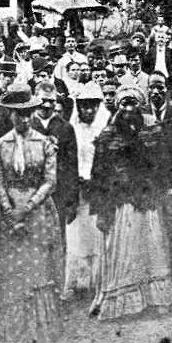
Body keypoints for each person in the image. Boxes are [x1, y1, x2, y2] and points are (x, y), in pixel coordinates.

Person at [88, 85, 172, 320]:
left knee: (153, 249)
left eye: (133, 104)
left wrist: (159, 190)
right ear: (118, 107)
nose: (128, 109)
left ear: (140, 105)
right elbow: (99, 172)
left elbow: (162, 164)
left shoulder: (153, 130)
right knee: (125, 253)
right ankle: (124, 303)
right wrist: (101, 208)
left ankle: (157, 299)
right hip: (121, 202)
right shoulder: (108, 135)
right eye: (124, 104)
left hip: (147, 200)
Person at [0, 85, 64, 343]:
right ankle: (13, 329)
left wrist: (29, 206)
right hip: (10, 213)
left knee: (37, 267)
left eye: (27, 114)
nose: (23, 119)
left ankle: (40, 330)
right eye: (17, 114)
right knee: (13, 269)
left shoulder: (44, 143)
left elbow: (50, 181)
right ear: (9, 115)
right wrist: (9, 211)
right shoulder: (1, 145)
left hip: (38, 212)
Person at [64, 82, 110, 298]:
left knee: (96, 232)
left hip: (98, 186)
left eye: (92, 106)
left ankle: (98, 280)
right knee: (77, 234)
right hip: (78, 186)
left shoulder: (104, 127)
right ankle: (78, 282)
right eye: (84, 106)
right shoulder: (72, 128)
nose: (88, 110)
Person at [31, 81, 79, 235]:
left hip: (58, 193)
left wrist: (72, 200)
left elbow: (72, 166)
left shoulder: (66, 128)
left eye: (51, 101)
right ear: (34, 98)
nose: (46, 105)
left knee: (57, 238)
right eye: (42, 100)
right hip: (31, 192)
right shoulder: (27, 125)